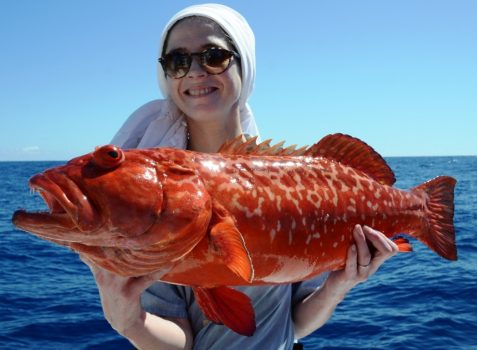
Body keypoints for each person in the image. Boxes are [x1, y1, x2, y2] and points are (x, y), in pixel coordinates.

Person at [80, 4, 398, 349]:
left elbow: (296, 324)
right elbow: (181, 341)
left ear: (243, 65)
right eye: (177, 61)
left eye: (214, 56)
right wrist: (127, 319)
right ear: (166, 76)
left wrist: (339, 284)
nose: (196, 71)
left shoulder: (296, 179)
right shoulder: (154, 199)